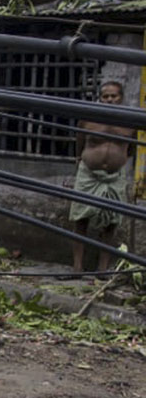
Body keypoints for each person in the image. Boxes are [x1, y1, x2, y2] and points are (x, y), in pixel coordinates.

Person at [70, 80, 133, 275]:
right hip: (88, 174)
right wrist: (83, 160)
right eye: (105, 96)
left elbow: (131, 149)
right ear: (100, 98)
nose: (109, 100)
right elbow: (79, 143)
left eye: (113, 96)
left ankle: (102, 269)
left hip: (115, 177)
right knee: (80, 218)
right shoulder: (89, 118)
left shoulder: (130, 121)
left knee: (111, 221)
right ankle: (77, 267)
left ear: (120, 98)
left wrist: (116, 161)